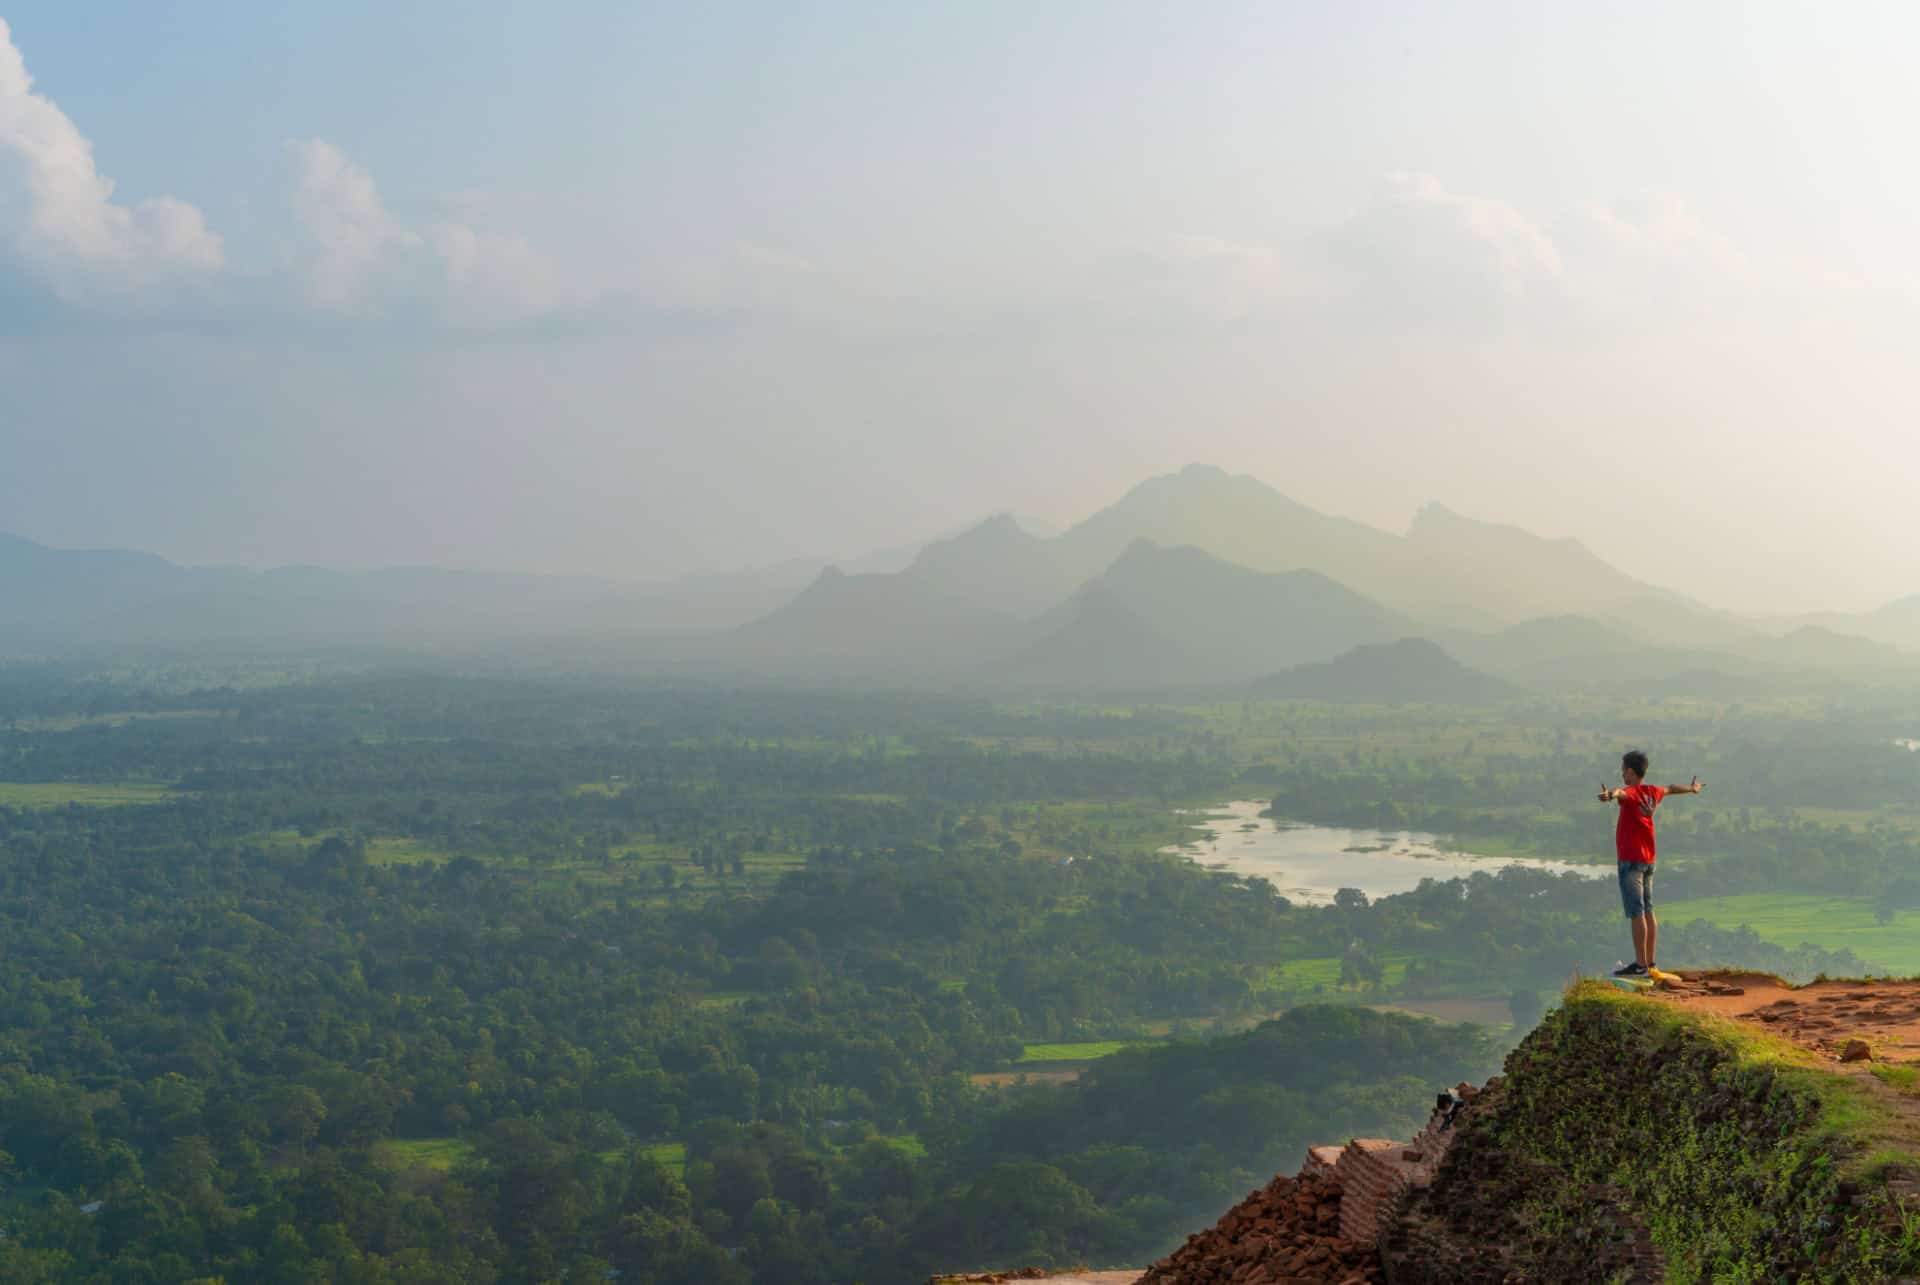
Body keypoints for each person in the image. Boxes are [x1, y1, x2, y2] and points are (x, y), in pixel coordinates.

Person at [1598, 750, 1703, 978]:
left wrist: (1609, 795)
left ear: (1630, 771)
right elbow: (1672, 788)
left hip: (1631, 860)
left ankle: (1641, 965)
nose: (1621, 774)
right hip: (1648, 859)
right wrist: (1692, 789)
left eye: (1623, 769)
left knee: (1637, 912)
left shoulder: (1631, 792)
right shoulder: (1652, 792)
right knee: (1648, 910)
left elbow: (1619, 793)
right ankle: (1650, 963)